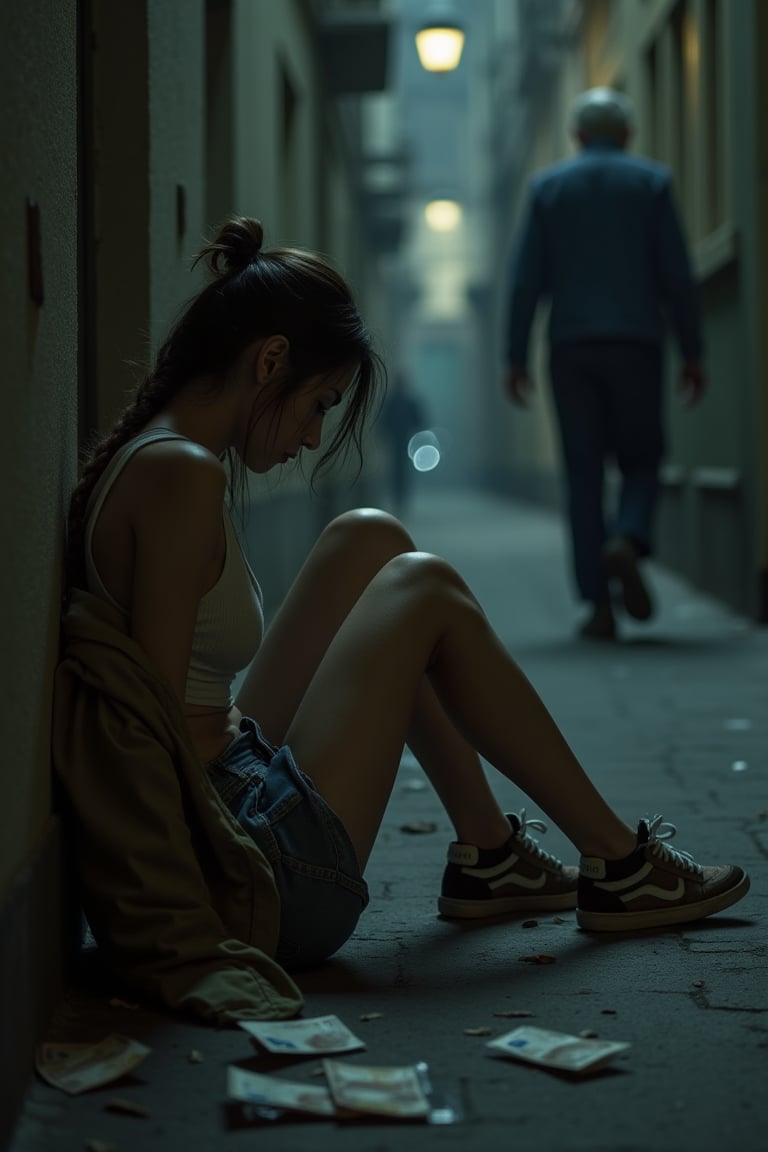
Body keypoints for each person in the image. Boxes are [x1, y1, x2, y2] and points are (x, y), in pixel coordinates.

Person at [53, 216, 748, 1023]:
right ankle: (623, 863)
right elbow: (155, 735)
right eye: (318, 404)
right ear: (269, 360)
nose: (313, 436)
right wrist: (181, 930)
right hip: (256, 870)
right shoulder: (180, 476)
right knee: (420, 588)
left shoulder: (161, 453)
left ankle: (489, 852)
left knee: (370, 540)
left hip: (235, 788)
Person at [505, 87, 706, 640]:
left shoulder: (548, 189)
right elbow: (677, 276)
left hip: (571, 347)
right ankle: (630, 535)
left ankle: (598, 604)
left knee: (583, 472)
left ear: (575, 136)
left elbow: (526, 281)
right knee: (642, 458)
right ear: (628, 135)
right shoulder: (651, 184)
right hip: (637, 342)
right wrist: (693, 351)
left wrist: (515, 356)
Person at [377, 371, 427, 514]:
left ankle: (398, 498)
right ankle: (402, 498)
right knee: (403, 470)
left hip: (396, 440)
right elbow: (419, 421)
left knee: (396, 470)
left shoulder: (391, 401)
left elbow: (383, 421)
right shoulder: (408, 401)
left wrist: (384, 434)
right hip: (405, 440)